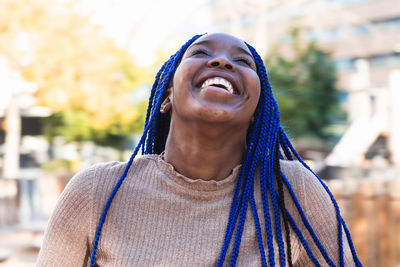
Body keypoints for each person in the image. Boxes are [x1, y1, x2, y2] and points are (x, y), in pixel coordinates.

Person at [36, 33, 362, 267]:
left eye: (242, 61)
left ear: (257, 110)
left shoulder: (292, 189)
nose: (221, 61)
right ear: (166, 97)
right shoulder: (97, 191)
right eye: (200, 53)